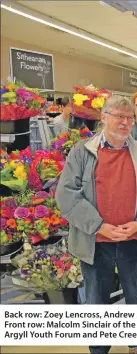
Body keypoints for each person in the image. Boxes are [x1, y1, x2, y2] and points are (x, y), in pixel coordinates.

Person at [56, 96, 137, 354]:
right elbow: (66, 195)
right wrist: (99, 225)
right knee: (97, 301)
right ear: (103, 117)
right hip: (95, 242)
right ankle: (99, 349)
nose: (125, 122)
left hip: (132, 242)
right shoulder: (82, 151)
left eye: (130, 117)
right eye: (119, 116)